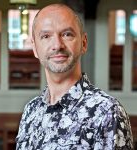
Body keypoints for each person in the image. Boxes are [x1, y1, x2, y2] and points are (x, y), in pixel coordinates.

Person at [16, 3, 133, 150]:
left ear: (84, 43)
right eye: (46, 36)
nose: (57, 45)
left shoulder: (107, 112)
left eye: (67, 34)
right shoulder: (30, 111)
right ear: (34, 48)